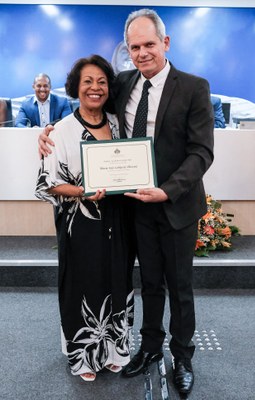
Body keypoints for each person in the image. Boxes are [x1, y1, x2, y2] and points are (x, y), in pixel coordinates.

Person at [38, 8, 214, 396]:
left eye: (149, 44)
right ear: (128, 51)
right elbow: (89, 104)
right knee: (149, 283)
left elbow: (201, 153)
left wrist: (167, 189)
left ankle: (182, 356)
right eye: (134, 47)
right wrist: (50, 129)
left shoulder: (194, 87)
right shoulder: (123, 83)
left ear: (165, 43)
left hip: (176, 206)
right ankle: (150, 348)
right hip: (136, 208)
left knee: (179, 287)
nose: (142, 52)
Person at [35, 55, 134, 382]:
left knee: (117, 279)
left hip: (118, 220)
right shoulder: (60, 131)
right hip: (80, 224)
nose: (95, 87)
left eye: (102, 82)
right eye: (88, 81)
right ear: (76, 88)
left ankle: (116, 350)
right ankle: (84, 357)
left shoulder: (119, 124)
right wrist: (82, 192)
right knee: (83, 285)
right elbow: (48, 183)